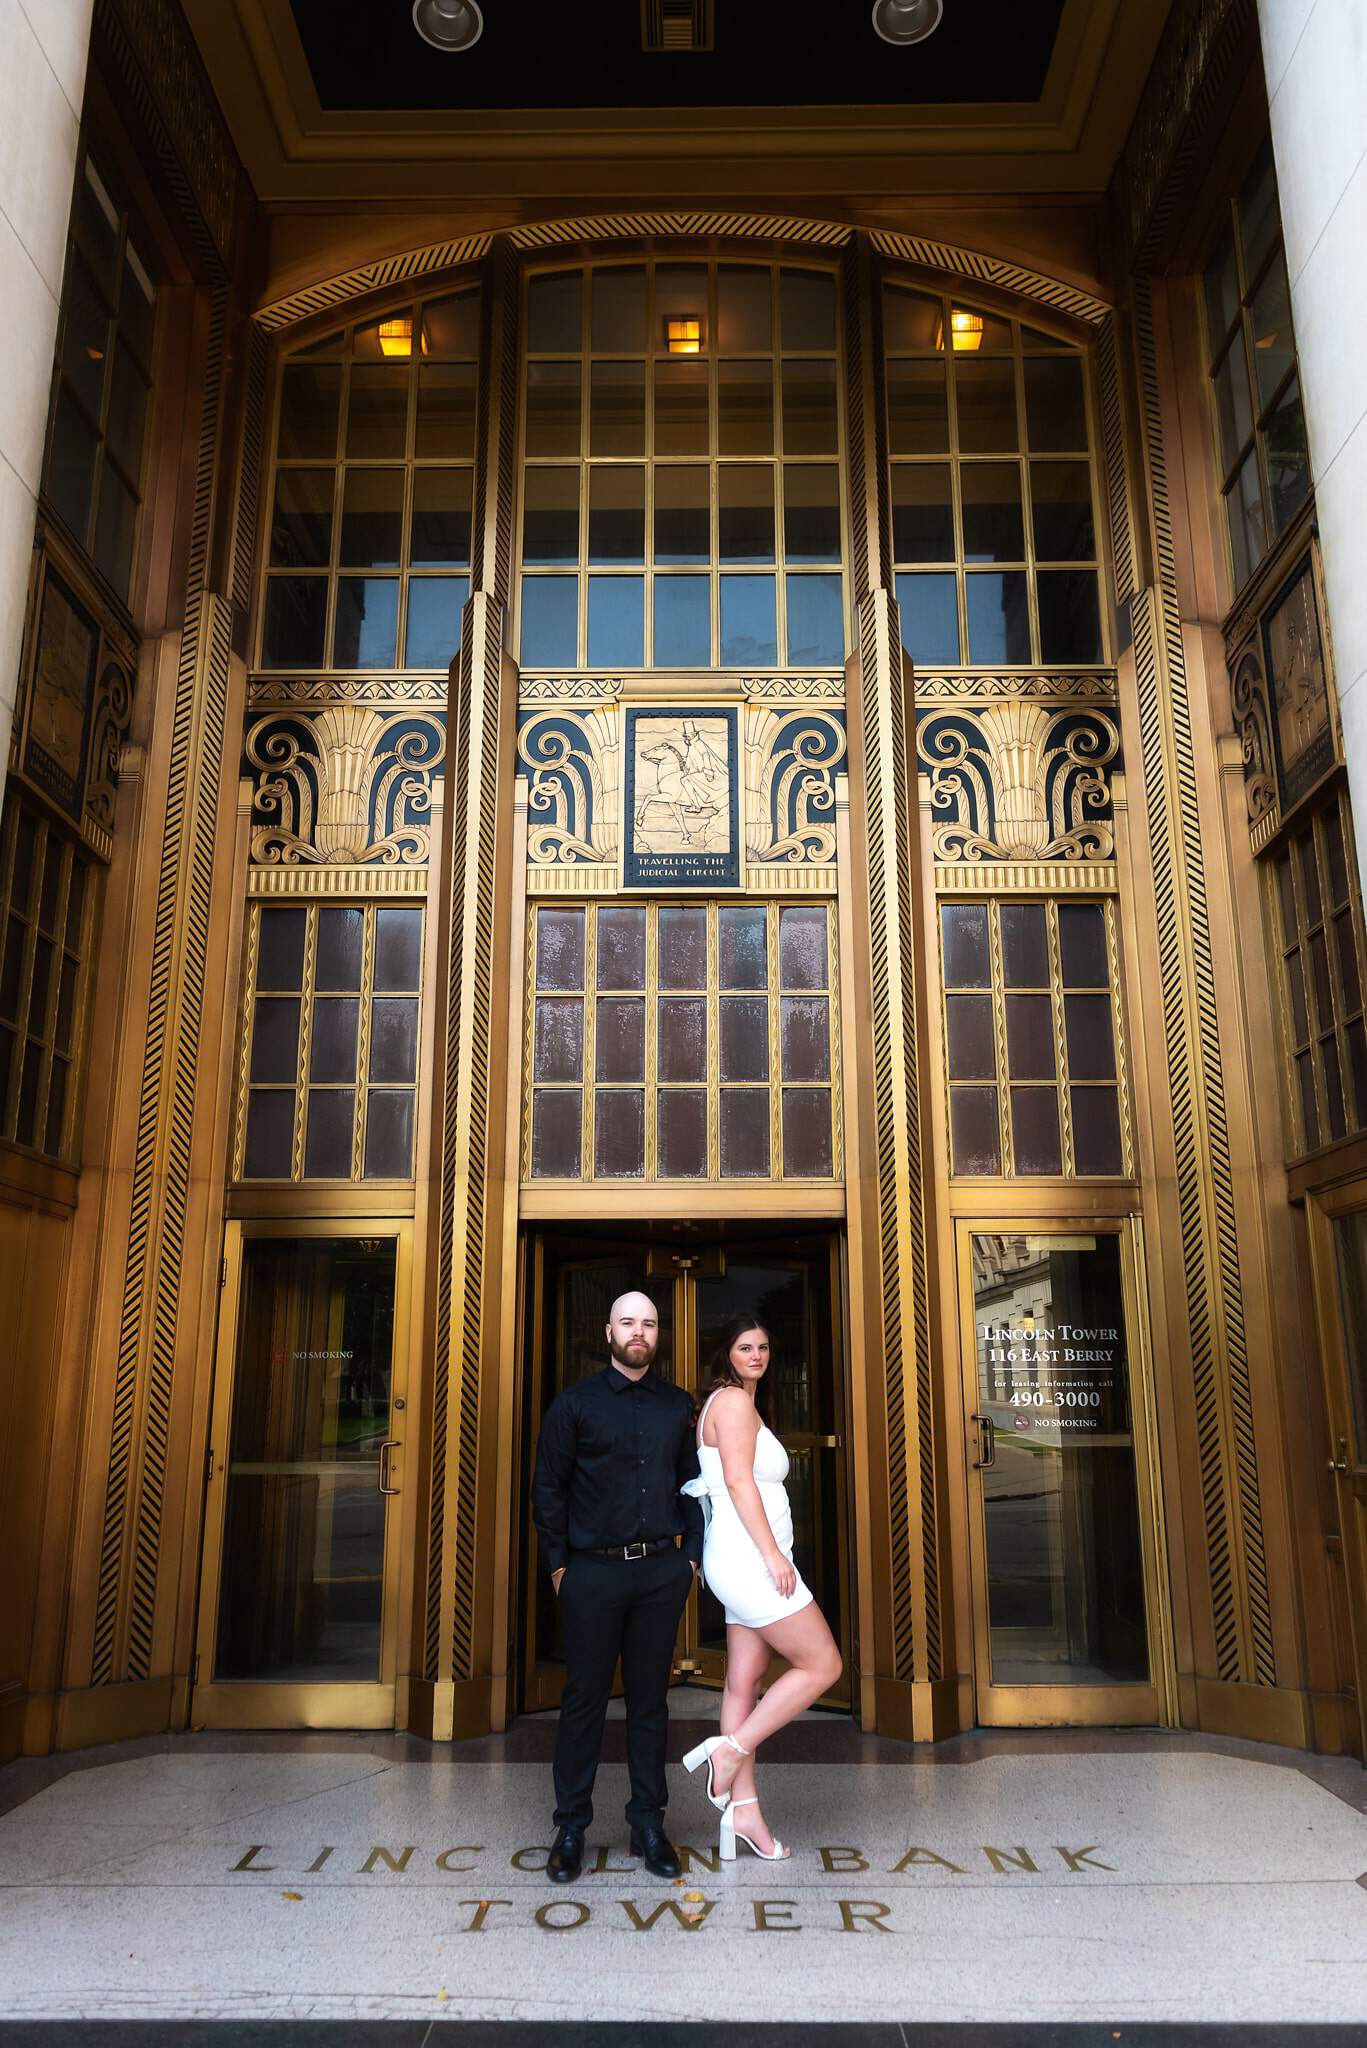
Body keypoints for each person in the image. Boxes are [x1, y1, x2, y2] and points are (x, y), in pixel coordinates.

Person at [531, 1289, 703, 1884]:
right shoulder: (573, 1406)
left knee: (650, 1701)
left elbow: (694, 1487)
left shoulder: (677, 1406)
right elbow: (548, 1490)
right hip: (591, 1573)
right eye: (628, 1322)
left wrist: (692, 1561)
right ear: (608, 1332)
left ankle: (648, 1824)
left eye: (649, 1324)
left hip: (660, 1571)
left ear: (658, 1335)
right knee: (583, 1700)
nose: (639, 1332)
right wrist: (559, 1567)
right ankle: (571, 1826)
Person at [680, 1316, 843, 1860]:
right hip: (752, 1558)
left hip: (744, 1556)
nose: (756, 1354)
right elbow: (736, 1481)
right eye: (745, 1347)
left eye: (764, 1346)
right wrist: (773, 1555)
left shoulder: (737, 1402)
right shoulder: (730, 1403)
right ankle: (731, 1752)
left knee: (741, 1683)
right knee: (824, 1665)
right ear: (725, 1354)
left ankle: (744, 1813)